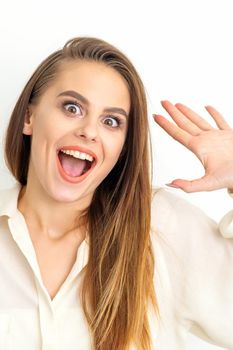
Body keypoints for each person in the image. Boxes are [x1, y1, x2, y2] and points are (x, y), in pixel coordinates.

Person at [0, 36, 233, 350]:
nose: (89, 131)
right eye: (72, 107)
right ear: (29, 117)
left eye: (111, 121)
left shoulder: (163, 227)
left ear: (123, 145)